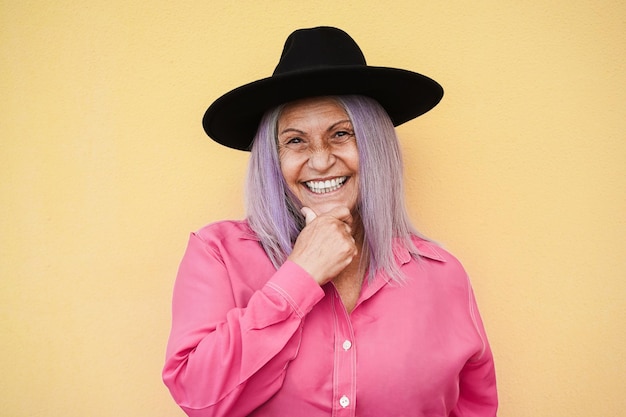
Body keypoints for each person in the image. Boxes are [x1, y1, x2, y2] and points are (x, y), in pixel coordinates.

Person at [162, 26, 498, 417]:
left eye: (341, 134)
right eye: (295, 140)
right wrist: (298, 277)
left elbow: (474, 407)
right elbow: (198, 397)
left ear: (374, 146)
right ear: (274, 160)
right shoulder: (218, 255)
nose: (320, 161)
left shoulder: (442, 276)